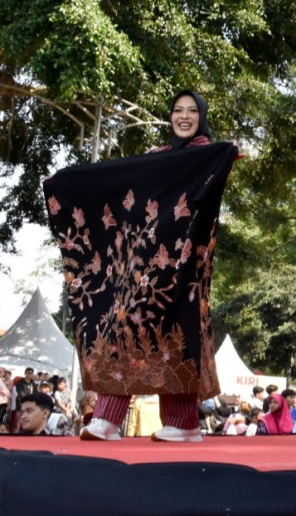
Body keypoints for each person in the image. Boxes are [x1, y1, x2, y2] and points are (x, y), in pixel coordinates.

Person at [77, 90, 229, 444]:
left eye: (193, 111)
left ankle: (158, 422)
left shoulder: (208, 155)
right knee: (144, 324)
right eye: (178, 111)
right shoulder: (159, 158)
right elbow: (122, 185)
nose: (185, 117)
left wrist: (225, 154)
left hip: (186, 261)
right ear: (171, 117)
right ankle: (167, 422)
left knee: (164, 328)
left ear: (201, 116)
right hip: (150, 260)